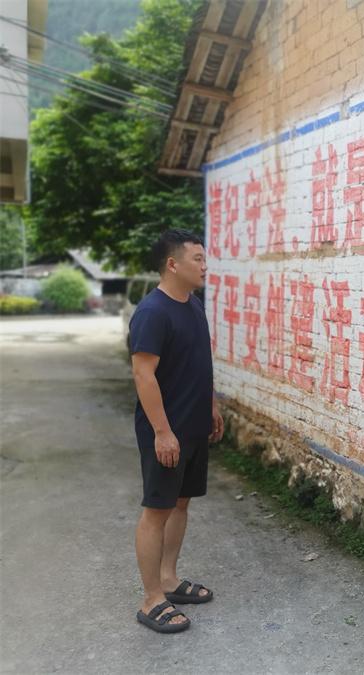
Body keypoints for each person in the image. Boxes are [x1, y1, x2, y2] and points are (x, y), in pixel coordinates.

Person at [129, 229, 224, 633]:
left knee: (181, 503)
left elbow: (199, 360)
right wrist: (162, 432)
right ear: (173, 264)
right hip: (165, 430)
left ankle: (169, 579)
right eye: (198, 259)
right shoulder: (153, 311)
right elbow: (142, 373)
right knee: (157, 510)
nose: (205, 266)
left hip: (193, 424)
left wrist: (212, 404)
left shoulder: (193, 305)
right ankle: (152, 599)